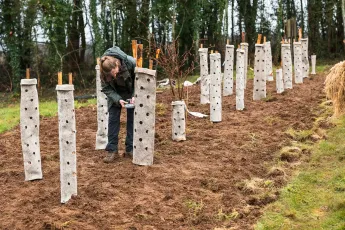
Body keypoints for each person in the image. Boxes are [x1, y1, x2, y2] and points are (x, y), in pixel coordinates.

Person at [100, 46, 136, 163]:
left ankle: (130, 149)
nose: (114, 76)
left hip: (131, 92)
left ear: (117, 64)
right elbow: (106, 88)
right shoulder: (103, 70)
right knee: (113, 120)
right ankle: (112, 150)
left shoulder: (130, 62)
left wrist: (135, 95)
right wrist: (118, 99)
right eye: (111, 75)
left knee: (132, 120)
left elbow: (140, 80)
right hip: (115, 94)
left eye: (114, 72)